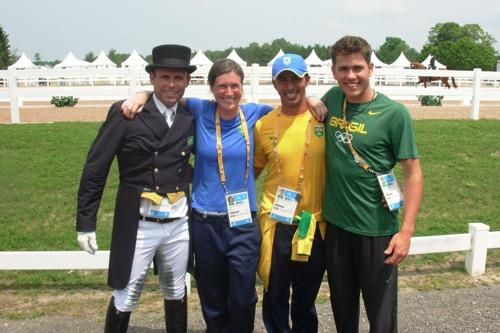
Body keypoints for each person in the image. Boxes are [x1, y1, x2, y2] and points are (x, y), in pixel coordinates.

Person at [121, 59, 326, 333]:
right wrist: (140, 94)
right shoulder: (198, 109)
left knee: (242, 298)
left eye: (234, 86)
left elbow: (291, 106)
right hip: (205, 222)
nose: (229, 92)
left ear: (242, 88)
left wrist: (312, 99)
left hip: (243, 224)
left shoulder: (257, 115)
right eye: (222, 86)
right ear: (211, 88)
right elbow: (167, 93)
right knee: (212, 296)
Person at [76, 44, 196, 333]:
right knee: (126, 293)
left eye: (178, 78)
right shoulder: (127, 113)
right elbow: (95, 169)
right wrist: (86, 223)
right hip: (140, 223)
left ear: (187, 81)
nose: (172, 84)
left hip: (179, 223)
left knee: (176, 289)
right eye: (165, 77)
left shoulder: (190, 116)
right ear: (152, 77)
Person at [322, 36, 423, 332]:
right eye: (343, 69)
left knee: (381, 317)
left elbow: (413, 172)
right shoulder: (331, 99)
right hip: (337, 227)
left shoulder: (395, 114)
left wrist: (405, 232)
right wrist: (313, 104)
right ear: (333, 71)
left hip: (377, 231)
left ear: (370, 67)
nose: (350, 76)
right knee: (343, 311)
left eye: (357, 68)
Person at [254, 54, 326, 332]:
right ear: (274, 85)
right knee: (275, 294)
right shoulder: (264, 125)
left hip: (313, 223)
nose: (289, 86)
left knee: (305, 299)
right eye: (282, 80)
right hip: (276, 221)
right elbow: (254, 171)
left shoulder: (322, 118)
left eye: (295, 78)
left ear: (306, 80)